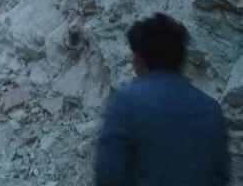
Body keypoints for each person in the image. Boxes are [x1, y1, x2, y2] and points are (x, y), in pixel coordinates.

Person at [95, 13, 230, 186]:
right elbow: (221, 176)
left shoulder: (124, 103)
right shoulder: (211, 109)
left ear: (139, 58)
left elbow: (109, 174)